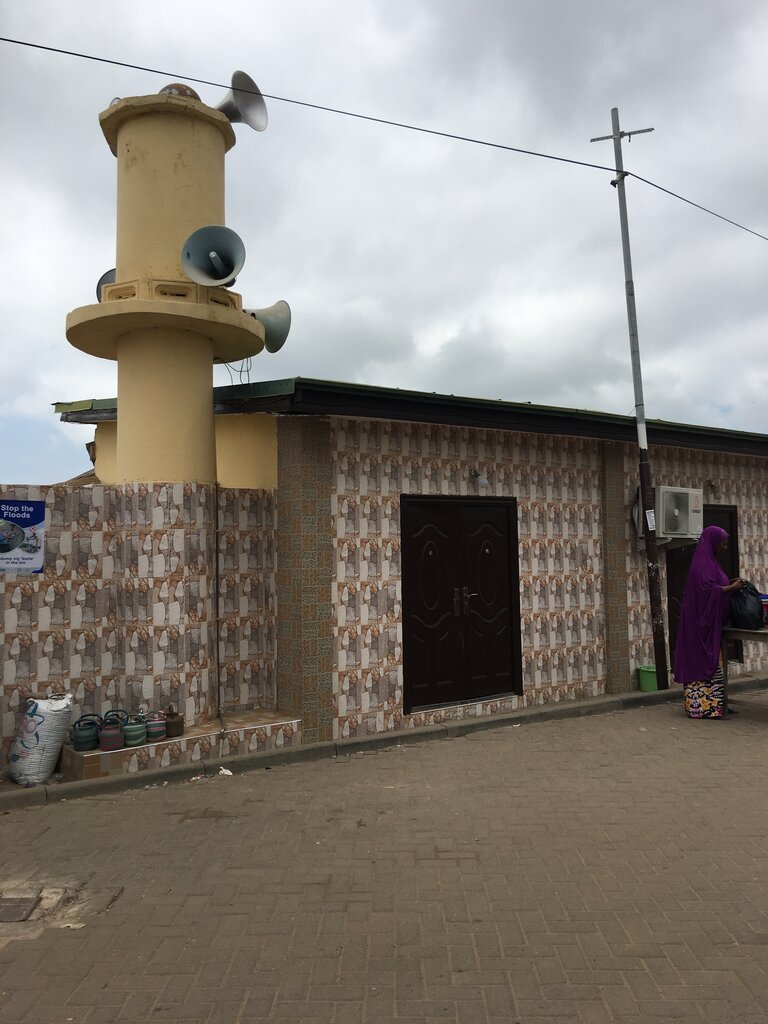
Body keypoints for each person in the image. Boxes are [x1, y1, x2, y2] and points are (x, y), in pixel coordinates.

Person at [674, 525, 746, 718]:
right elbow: (707, 592)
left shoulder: (711, 563)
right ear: (713, 543)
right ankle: (703, 708)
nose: (724, 547)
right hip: (699, 627)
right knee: (703, 663)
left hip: (711, 627)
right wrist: (731, 588)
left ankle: (716, 705)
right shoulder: (701, 566)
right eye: (722, 544)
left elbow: (715, 586)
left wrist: (730, 584)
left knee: (716, 666)